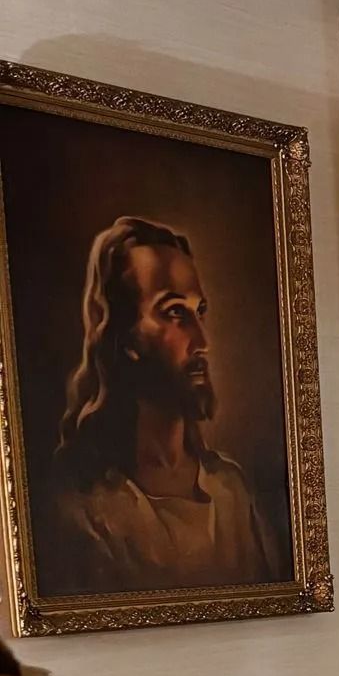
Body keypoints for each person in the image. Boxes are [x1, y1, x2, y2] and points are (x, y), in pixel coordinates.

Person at [43, 215, 275, 595]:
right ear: (126, 337)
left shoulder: (231, 490)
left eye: (199, 312)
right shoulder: (88, 508)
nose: (202, 341)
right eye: (174, 313)